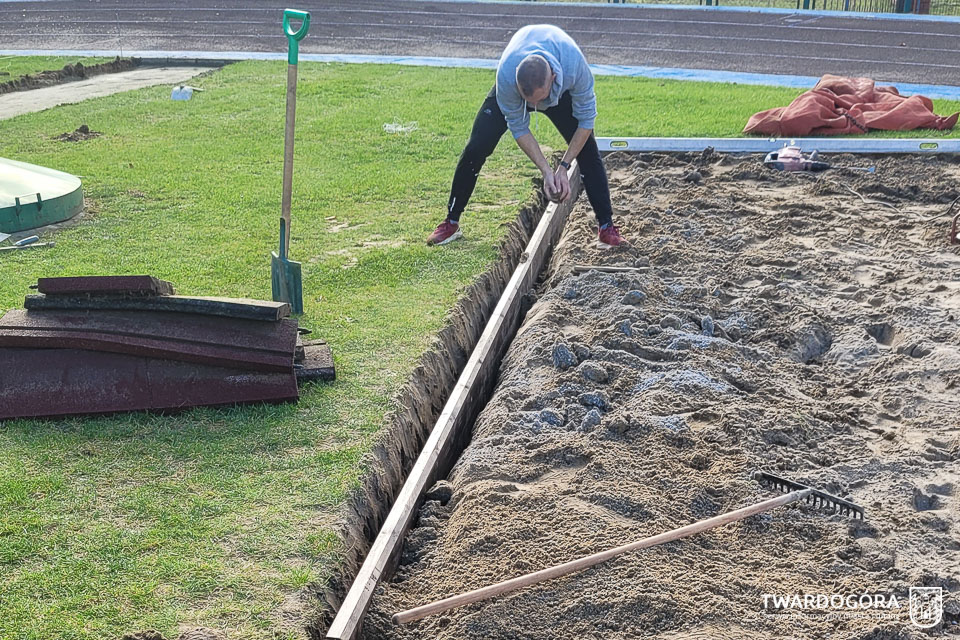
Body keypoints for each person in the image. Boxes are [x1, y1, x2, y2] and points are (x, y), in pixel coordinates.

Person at [427, 24, 624, 248]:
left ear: (553, 78)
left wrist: (564, 166)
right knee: (476, 147)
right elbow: (519, 127)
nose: (534, 107)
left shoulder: (574, 68)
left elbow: (586, 122)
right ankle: (451, 222)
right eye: (529, 101)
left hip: (560, 92)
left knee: (588, 151)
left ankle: (606, 227)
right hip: (521, 85)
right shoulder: (507, 76)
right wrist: (546, 170)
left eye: (539, 101)